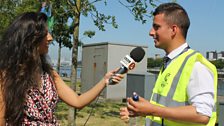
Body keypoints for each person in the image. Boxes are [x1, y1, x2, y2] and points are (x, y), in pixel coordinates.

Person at [0, 12, 124, 125]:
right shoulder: (6, 76)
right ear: (31, 38)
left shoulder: (49, 74)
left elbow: (77, 101)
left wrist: (104, 81)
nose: (50, 38)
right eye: (45, 33)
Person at [120, 2, 217, 126]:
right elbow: (165, 110)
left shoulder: (196, 65)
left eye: (156, 27)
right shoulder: (170, 63)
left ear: (173, 30)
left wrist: (152, 109)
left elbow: (202, 114)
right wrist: (144, 110)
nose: (151, 32)